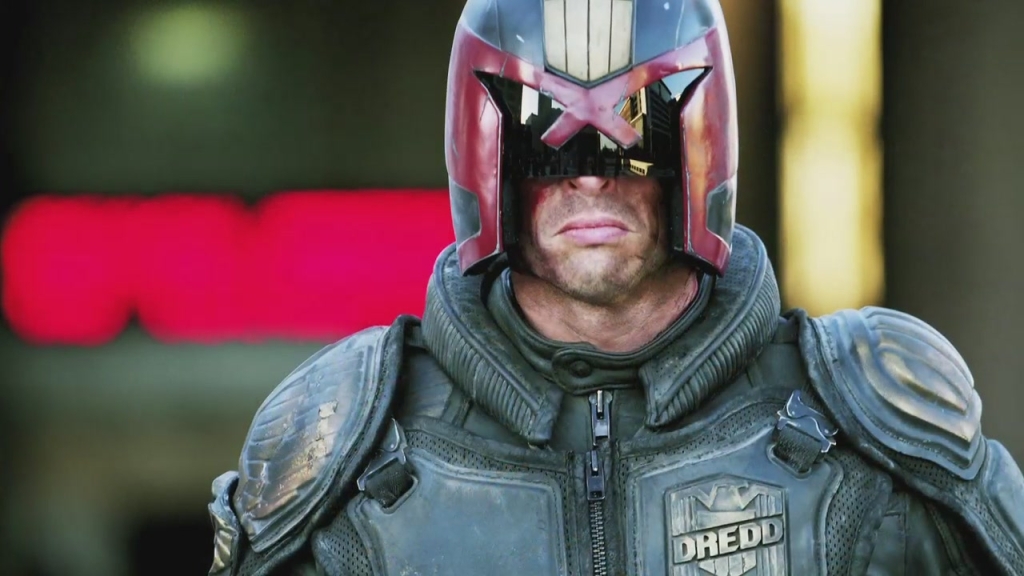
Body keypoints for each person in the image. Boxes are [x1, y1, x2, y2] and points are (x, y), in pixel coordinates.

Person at [207, 0, 1024, 574]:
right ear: (492, 159)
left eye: (634, 140)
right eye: (549, 144)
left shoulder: (874, 421)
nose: (591, 181)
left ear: (695, 152)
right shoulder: (343, 453)